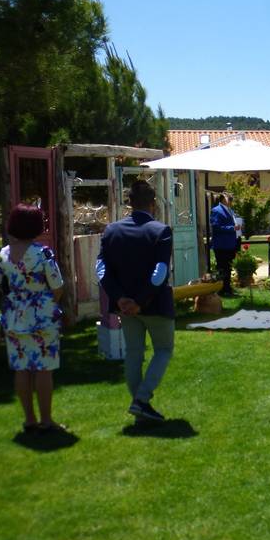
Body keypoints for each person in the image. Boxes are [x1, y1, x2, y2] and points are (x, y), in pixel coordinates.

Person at [98, 180, 175, 421]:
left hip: (124, 306)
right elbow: (160, 271)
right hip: (154, 304)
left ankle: (139, 409)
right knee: (163, 349)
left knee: (133, 352)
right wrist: (141, 300)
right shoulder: (160, 231)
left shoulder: (111, 231)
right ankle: (141, 400)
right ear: (153, 204)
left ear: (129, 203)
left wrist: (120, 298)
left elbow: (101, 268)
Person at [0, 205, 65, 433]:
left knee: (21, 368)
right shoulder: (43, 253)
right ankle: (46, 420)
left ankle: (29, 420)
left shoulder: (4, 254)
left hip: (14, 316)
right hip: (42, 316)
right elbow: (57, 286)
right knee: (44, 369)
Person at [210, 193, 237, 296]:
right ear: (222, 199)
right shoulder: (216, 210)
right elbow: (216, 227)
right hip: (221, 244)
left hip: (230, 243)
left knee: (228, 267)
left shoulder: (231, 210)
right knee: (222, 267)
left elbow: (233, 222)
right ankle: (220, 289)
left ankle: (227, 287)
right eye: (227, 197)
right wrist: (231, 228)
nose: (230, 199)